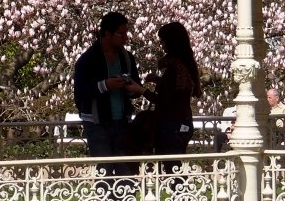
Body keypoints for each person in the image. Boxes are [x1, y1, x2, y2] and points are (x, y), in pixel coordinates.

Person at [73, 12, 143, 177]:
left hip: (123, 123)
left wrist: (131, 88)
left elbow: (136, 88)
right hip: (97, 125)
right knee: (104, 173)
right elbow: (80, 94)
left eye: (127, 33)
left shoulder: (127, 58)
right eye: (121, 34)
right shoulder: (87, 60)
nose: (126, 38)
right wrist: (104, 85)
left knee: (126, 174)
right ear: (106, 33)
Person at [131, 21, 202, 173]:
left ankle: (180, 195)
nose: (161, 45)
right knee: (174, 167)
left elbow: (167, 101)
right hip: (183, 122)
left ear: (171, 42)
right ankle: (180, 194)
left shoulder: (175, 69)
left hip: (172, 126)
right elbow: (177, 92)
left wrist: (141, 90)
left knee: (172, 169)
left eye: (163, 41)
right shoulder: (184, 65)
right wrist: (159, 81)